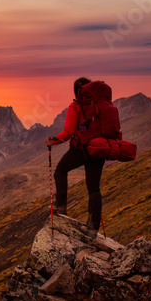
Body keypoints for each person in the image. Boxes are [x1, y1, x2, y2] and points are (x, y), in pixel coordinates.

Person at [44, 77, 105, 233]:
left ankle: (61, 208)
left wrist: (54, 141)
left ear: (76, 91)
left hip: (80, 149)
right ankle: (93, 228)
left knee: (61, 170)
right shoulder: (101, 104)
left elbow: (69, 131)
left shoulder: (76, 106)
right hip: (99, 149)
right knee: (94, 189)